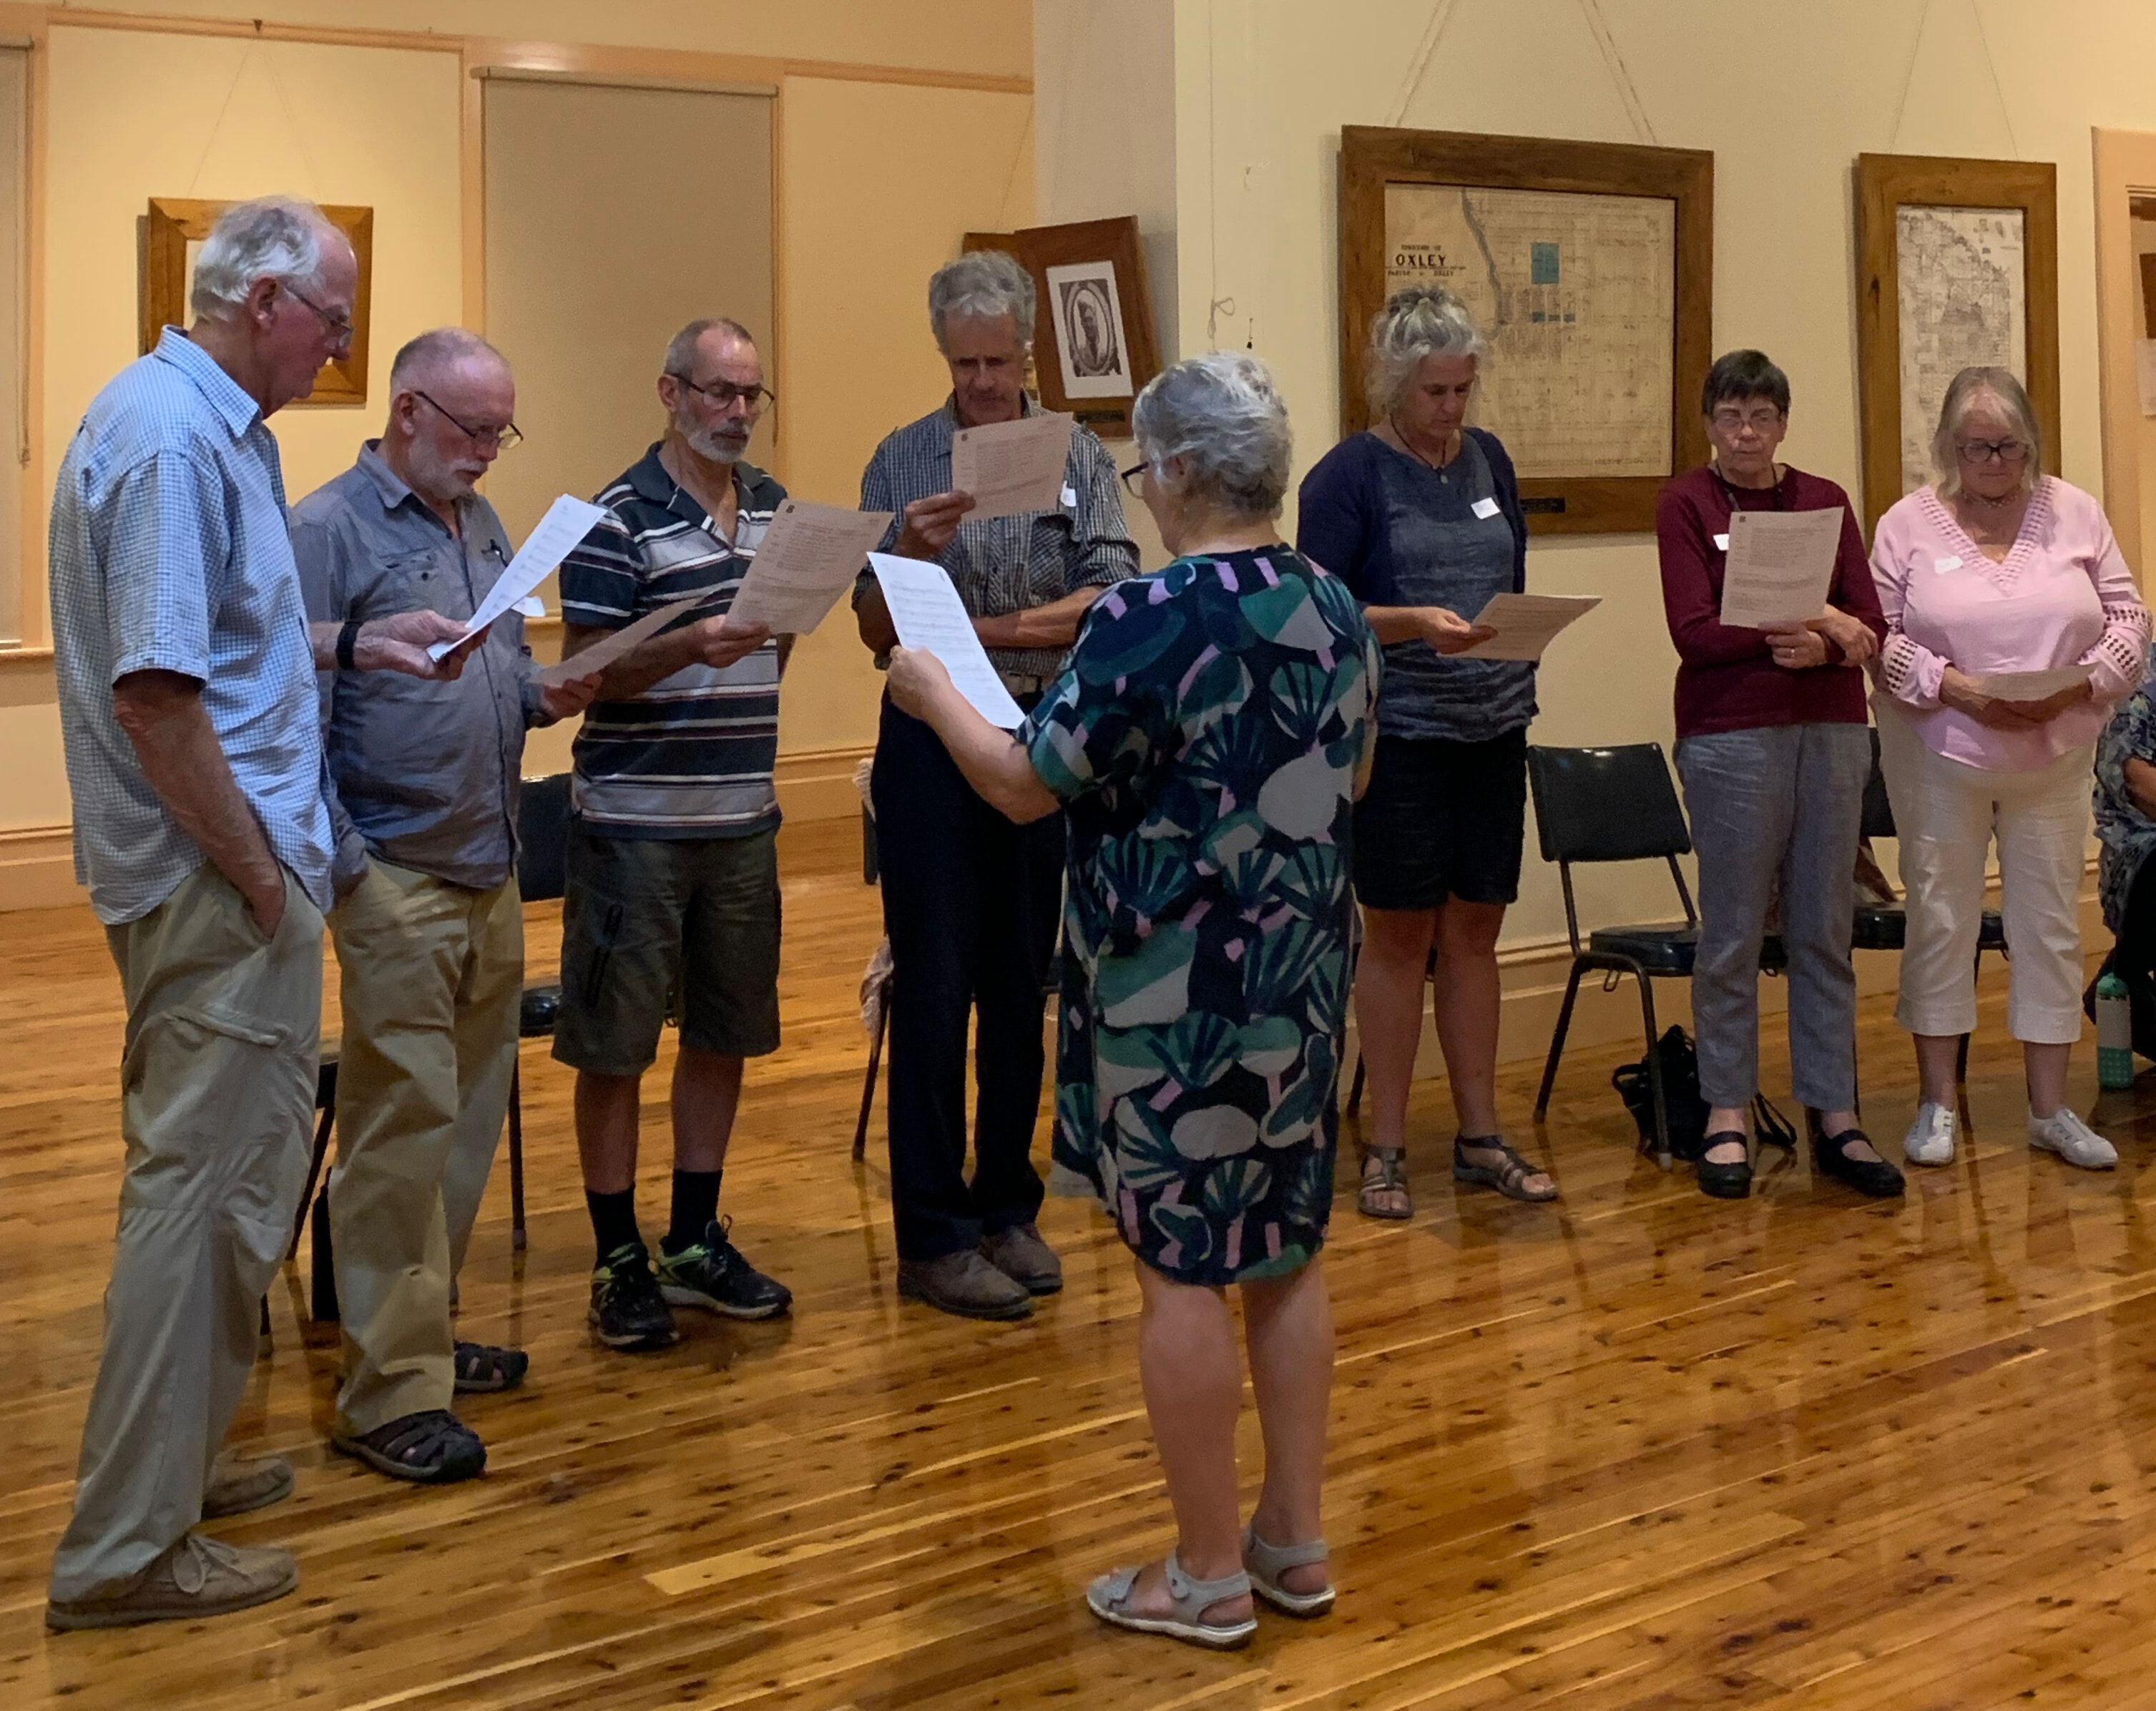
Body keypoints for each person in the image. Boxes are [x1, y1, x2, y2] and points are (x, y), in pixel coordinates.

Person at [886, 351, 1376, 1649]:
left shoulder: (1145, 614)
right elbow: (1352, 777)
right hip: (1301, 980)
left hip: (1170, 992)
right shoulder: (1332, 602)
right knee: (1281, 1251)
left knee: (1177, 1269)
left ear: (1175, 474)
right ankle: (1291, 1537)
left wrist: (933, 691)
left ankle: (1207, 1572)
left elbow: (1020, 782)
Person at [44, 197, 469, 1629]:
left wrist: (359, 636)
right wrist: (258, 873)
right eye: (336, 318)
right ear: (269, 297)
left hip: (223, 872)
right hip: (216, 878)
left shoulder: (197, 421)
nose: (343, 344)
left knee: (231, 1193)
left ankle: (177, 1470)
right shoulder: (174, 438)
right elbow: (159, 698)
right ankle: (127, 1549)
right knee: (199, 1195)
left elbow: (220, 645)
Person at [293, 329, 602, 1481]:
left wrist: (552, 687)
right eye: (474, 431)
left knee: (465, 1122)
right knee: (396, 1132)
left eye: (501, 432)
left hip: (488, 865)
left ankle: (420, 1338)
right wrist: (348, 873)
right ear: (408, 410)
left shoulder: (481, 524)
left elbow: (498, 676)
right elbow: (291, 718)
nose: (489, 453)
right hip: (395, 877)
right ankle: (385, 1396)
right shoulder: (326, 530)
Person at [852, 250, 1137, 1320]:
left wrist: (984, 627)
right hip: (929, 738)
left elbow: (1110, 594)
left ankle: (1004, 1208)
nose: (982, 382)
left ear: (1029, 349)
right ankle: (931, 1236)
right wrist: (906, 548)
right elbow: (876, 631)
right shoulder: (902, 457)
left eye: (999, 360)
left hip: (1043, 730)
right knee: (932, 989)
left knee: (1021, 986)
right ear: (942, 353)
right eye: (965, 362)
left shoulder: (1075, 450)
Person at [553, 318, 789, 1351]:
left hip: (742, 816)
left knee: (724, 1033)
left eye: (750, 395)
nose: (735, 412)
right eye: (717, 393)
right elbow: (577, 675)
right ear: (669, 392)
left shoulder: (779, 510)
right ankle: (616, 1255)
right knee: (615, 1048)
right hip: (633, 824)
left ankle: (693, 1238)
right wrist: (688, 645)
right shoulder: (612, 519)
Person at [1295, 283, 1555, 1220]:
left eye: (1462, 390)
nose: (1451, 410)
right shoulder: (1347, 476)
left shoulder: (1488, 461)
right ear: (1392, 386)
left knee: (1474, 931)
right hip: (1398, 736)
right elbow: (1315, 613)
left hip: (1493, 728)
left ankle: (1479, 1133)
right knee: (1400, 936)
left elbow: (1507, 576)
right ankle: (1388, 1145)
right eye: (1434, 392)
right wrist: (1408, 623)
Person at [1872, 365, 2151, 1169]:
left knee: (2048, 925)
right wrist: (1954, 687)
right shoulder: (1905, 525)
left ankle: (2048, 1108)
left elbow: (2128, 615)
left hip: (2053, 747)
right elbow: (1880, 638)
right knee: (1939, 917)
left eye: (2006, 446)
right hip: (1940, 750)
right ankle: (1934, 1104)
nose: (1992, 462)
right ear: (1947, 448)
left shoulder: (2074, 511)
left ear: (2029, 442)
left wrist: (2083, 680)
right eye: (1975, 448)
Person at [1655, 350, 1901, 1200]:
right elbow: (1693, 628)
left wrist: (1831, 638)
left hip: (1831, 732)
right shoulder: (1685, 502)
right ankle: (1724, 1108)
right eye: (1730, 416)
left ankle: (1833, 1112)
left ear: (1783, 422)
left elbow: (1869, 619)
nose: (1746, 432)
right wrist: (1802, 631)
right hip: (1731, 737)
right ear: (1708, 424)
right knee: (1728, 935)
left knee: (1823, 930)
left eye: (1760, 415)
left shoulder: (1824, 499)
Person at [2093, 678, 2156, 1059]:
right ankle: (2127, 975)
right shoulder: (2142, 683)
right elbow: (2137, 782)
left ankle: (2124, 979)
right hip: (2143, 856)